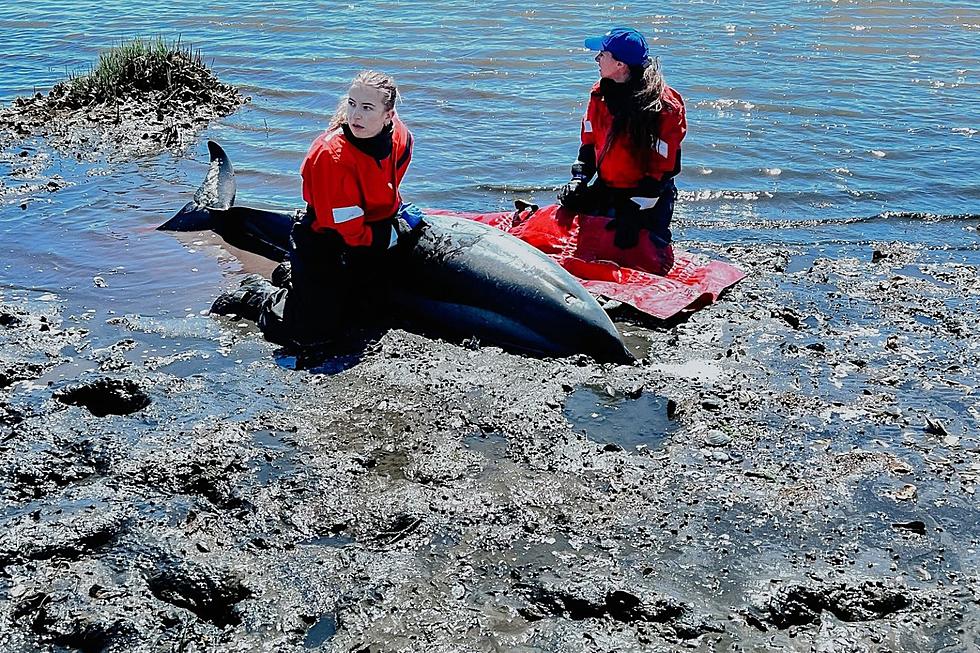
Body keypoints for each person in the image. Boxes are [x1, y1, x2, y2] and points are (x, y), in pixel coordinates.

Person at [212, 70, 423, 347]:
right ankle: (257, 295)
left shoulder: (401, 138)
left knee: (369, 311)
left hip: (371, 228)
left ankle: (290, 275)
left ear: (388, 115)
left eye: (367, 107)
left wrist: (395, 213)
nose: (355, 115)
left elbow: (388, 182)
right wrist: (394, 234)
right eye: (352, 104)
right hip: (328, 237)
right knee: (308, 334)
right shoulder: (331, 157)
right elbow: (349, 231)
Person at [557, 27, 686, 275]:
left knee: (637, 255)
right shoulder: (599, 94)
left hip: (647, 194)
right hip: (609, 185)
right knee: (570, 226)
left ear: (620, 64)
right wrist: (579, 180)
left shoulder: (665, 108)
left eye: (602, 54)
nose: (596, 59)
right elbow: (589, 144)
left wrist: (636, 209)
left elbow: (665, 169)